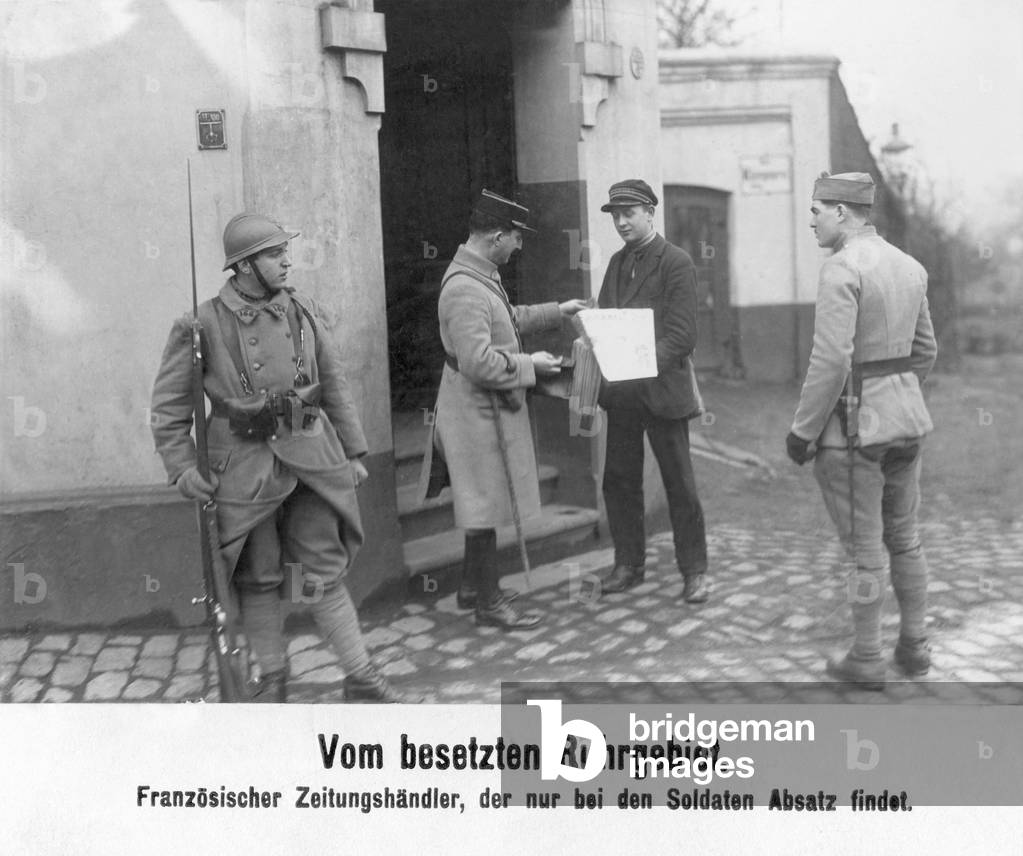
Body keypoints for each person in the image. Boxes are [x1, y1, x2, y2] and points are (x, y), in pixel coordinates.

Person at [152, 212, 415, 702]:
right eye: (275, 254)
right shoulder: (200, 323)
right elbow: (168, 407)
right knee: (259, 576)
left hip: (311, 461)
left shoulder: (303, 310)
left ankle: (360, 673)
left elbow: (332, 384)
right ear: (246, 265)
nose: (286, 261)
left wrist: (354, 450)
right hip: (245, 469)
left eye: (284, 252)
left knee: (324, 571)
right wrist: (183, 467)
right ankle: (273, 678)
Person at [786, 171, 937, 689]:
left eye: (816, 210)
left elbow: (831, 360)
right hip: (908, 425)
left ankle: (868, 658)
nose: (811, 221)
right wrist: (897, 395)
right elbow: (925, 352)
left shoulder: (840, 269)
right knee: (906, 539)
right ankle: (915, 647)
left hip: (854, 434)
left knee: (866, 551)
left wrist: (803, 432)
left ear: (843, 213)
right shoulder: (910, 266)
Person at [420, 189, 587, 630]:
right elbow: (478, 362)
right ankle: (489, 603)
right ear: (496, 236)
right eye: (517, 237)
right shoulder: (464, 290)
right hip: (475, 411)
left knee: (483, 502)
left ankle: (473, 588)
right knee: (484, 502)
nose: (521, 246)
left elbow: (507, 319)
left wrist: (557, 311)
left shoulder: (480, 275)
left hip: (483, 408)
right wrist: (529, 364)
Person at [596, 179, 709, 604]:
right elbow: (608, 320)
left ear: (650, 213)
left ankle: (695, 571)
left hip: (663, 392)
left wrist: (633, 361)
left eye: (629, 213)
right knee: (620, 481)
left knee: (680, 485)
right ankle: (628, 564)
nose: (622, 222)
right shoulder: (615, 264)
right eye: (615, 216)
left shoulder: (676, 262)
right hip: (622, 396)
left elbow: (683, 337)